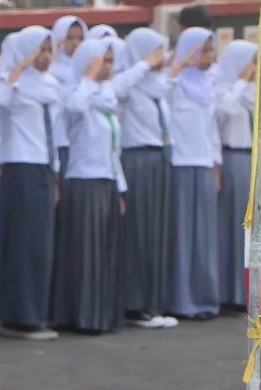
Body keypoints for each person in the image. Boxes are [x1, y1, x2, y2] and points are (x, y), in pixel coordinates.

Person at [50, 37, 126, 333]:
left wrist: (120, 188)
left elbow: (114, 148)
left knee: (103, 253)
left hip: (105, 182)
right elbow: (75, 107)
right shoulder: (74, 91)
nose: (108, 66)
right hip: (83, 181)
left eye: (110, 61)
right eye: (102, 60)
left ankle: (101, 314)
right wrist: (87, 76)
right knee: (85, 253)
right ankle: (81, 315)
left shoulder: (107, 97)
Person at [0, 26, 60, 341]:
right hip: (21, 165)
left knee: (40, 245)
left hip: (44, 167)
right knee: (23, 243)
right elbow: (0, 98)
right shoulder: (12, 85)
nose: (44, 57)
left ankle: (36, 313)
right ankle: (19, 317)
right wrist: (19, 65)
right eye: (39, 51)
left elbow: (54, 134)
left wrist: (55, 171)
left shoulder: (50, 86)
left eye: (48, 51)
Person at [114, 27, 178, 330]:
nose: (159, 57)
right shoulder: (129, 83)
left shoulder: (156, 86)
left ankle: (154, 302)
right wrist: (142, 64)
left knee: (157, 231)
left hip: (160, 158)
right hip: (137, 159)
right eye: (154, 50)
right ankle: (135, 304)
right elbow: (116, 89)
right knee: (138, 231)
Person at [166, 26, 222, 320]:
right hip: (181, 165)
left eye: (211, 51)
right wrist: (177, 65)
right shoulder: (175, 86)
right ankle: (181, 299)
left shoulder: (207, 87)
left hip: (202, 166)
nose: (208, 57)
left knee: (203, 237)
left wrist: (215, 165)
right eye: (203, 50)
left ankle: (205, 298)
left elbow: (211, 131)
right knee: (182, 236)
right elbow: (162, 90)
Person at [215, 39, 258, 311]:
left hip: (251, 161)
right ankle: (228, 291)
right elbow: (225, 112)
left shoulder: (253, 91)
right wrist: (241, 81)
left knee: (252, 230)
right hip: (232, 159)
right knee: (232, 226)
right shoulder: (223, 89)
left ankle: (249, 292)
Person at [48, 15, 87, 177]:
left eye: (80, 38)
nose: (75, 43)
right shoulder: (50, 70)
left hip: (82, 142)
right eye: (69, 38)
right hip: (60, 140)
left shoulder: (87, 70)